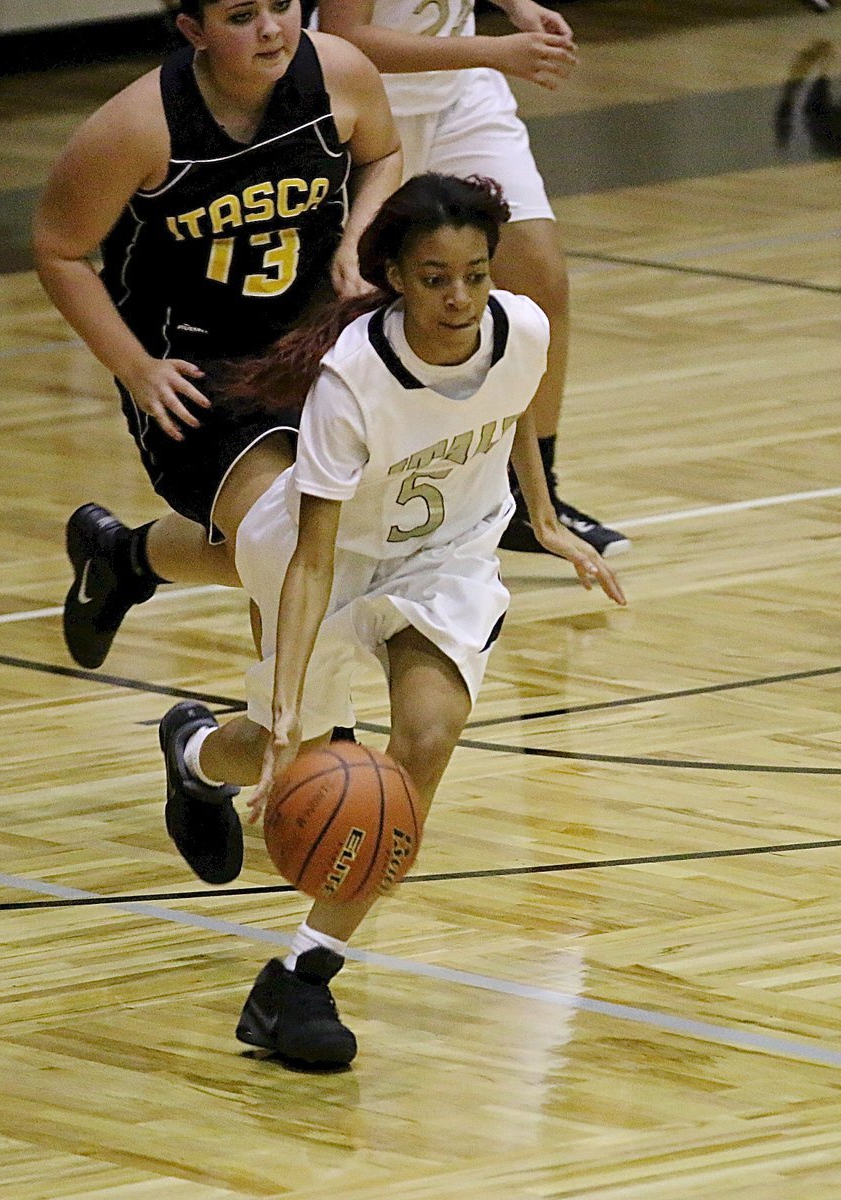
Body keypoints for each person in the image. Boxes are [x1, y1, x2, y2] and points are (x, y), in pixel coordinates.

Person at [156, 172, 626, 1066]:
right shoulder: (353, 382)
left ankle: (302, 974)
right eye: (436, 276)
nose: (460, 297)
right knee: (287, 746)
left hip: (444, 554)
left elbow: (515, 407)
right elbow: (313, 557)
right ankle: (190, 753)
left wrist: (546, 516)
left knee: (425, 743)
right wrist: (289, 704)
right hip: (323, 560)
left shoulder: (520, 326)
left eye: (477, 274)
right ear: (398, 279)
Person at [33, 0, 402, 670]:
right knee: (287, 543)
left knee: (322, 545)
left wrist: (358, 239)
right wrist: (134, 367)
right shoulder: (138, 124)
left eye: (281, 5)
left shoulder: (339, 71)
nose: (270, 27)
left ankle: (125, 558)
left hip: (315, 348)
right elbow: (57, 248)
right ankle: (310, 744)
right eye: (240, 15)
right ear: (193, 32)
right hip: (198, 369)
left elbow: (384, 155)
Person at [314, 0, 630, 559]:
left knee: (539, 278)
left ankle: (533, 502)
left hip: (462, 95)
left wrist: (518, 7)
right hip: (368, 103)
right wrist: (494, 49)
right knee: (356, 302)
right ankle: (343, 501)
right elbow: (348, 37)